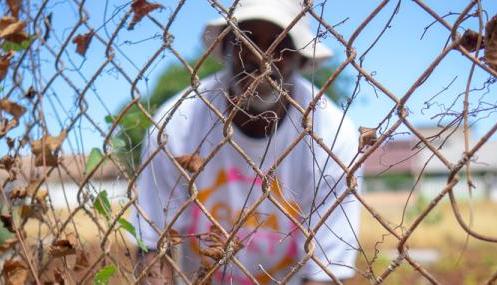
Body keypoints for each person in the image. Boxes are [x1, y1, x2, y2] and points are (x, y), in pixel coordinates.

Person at [130, 0, 361, 284]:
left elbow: (327, 272)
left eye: (280, 44)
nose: (261, 58)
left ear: (301, 59)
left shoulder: (331, 134)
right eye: (246, 40)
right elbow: (154, 245)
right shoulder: (179, 123)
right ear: (226, 47)